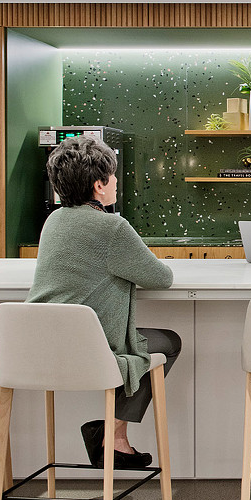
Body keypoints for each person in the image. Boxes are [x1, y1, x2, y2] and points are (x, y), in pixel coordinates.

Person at [27, 136, 181, 468]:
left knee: (141, 343)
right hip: (86, 351)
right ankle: (114, 436)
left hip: (36, 347)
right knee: (168, 341)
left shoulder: (53, 221)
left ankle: (112, 436)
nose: (114, 184)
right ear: (99, 184)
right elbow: (161, 277)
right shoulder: (111, 227)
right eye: (111, 177)